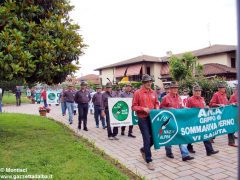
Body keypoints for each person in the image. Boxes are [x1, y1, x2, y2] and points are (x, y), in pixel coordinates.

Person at [160, 81, 194, 161]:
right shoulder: (165, 97)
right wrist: (169, 109)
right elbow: (161, 108)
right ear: (170, 89)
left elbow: (180, 106)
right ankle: (168, 152)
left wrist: (186, 108)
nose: (175, 89)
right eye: (173, 88)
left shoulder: (178, 97)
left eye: (176, 88)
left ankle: (185, 155)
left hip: (178, 120)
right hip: (169, 120)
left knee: (181, 135)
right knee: (170, 136)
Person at [132, 74, 159, 170]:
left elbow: (156, 102)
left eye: (150, 81)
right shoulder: (137, 93)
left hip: (152, 118)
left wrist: (157, 107)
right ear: (143, 83)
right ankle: (149, 160)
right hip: (142, 118)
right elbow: (133, 107)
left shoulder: (153, 92)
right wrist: (143, 108)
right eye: (147, 82)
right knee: (147, 138)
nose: (149, 83)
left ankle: (144, 149)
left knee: (155, 137)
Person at [186, 85, 219, 156]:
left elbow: (204, 107)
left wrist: (206, 107)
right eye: (196, 91)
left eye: (199, 91)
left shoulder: (202, 99)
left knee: (205, 134)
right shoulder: (190, 99)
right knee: (192, 134)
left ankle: (209, 151)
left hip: (202, 120)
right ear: (193, 92)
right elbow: (186, 110)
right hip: (193, 120)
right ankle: (189, 146)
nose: (198, 92)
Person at [209, 83, 237, 147]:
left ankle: (231, 142)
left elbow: (227, 103)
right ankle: (210, 138)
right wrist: (219, 105)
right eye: (223, 88)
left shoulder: (224, 94)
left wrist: (231, 104)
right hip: (219, 114)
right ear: (219, 89)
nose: (224, 89)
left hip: (226, 113)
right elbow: (211, 104)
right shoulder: (216, 95)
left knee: (230, 125)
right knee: (217, 126)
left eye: (224, 88)